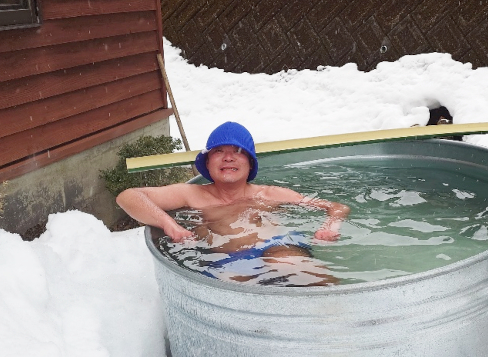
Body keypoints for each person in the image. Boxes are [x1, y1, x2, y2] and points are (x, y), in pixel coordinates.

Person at [116, 122, 350, 284]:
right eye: (219, 151)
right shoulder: (191, 195)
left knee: (289, 264)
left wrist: (331, 225)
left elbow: (336, 207)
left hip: (277, 248)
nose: (228, 157)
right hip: (225, 261)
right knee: (233, 288)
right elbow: (128, 196)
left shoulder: (270, 194)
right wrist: (169, 225)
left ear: (250, 164)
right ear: (207, 163)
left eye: (237, 151)